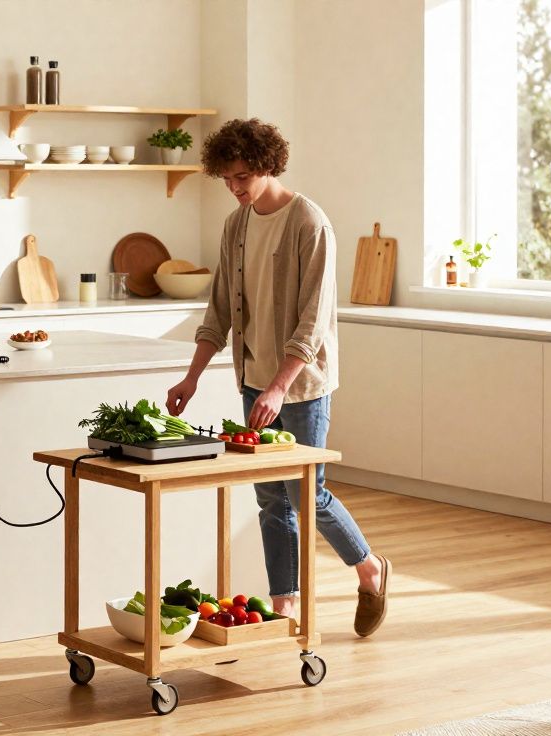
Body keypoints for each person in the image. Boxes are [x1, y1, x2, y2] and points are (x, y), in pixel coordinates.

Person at [166, 118, 389, 637]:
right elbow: (219, 311)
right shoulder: (236, 225)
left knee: (305, 491)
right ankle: (284, 603)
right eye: (226, 178)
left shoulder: (310, 223)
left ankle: (368, 567)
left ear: (268, 165)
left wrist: (278, 385)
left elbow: (312, 322)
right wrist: (192, 377)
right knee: (269, 496)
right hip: (253, 380)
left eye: (243, 176)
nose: (235, 187)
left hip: (299, 385)